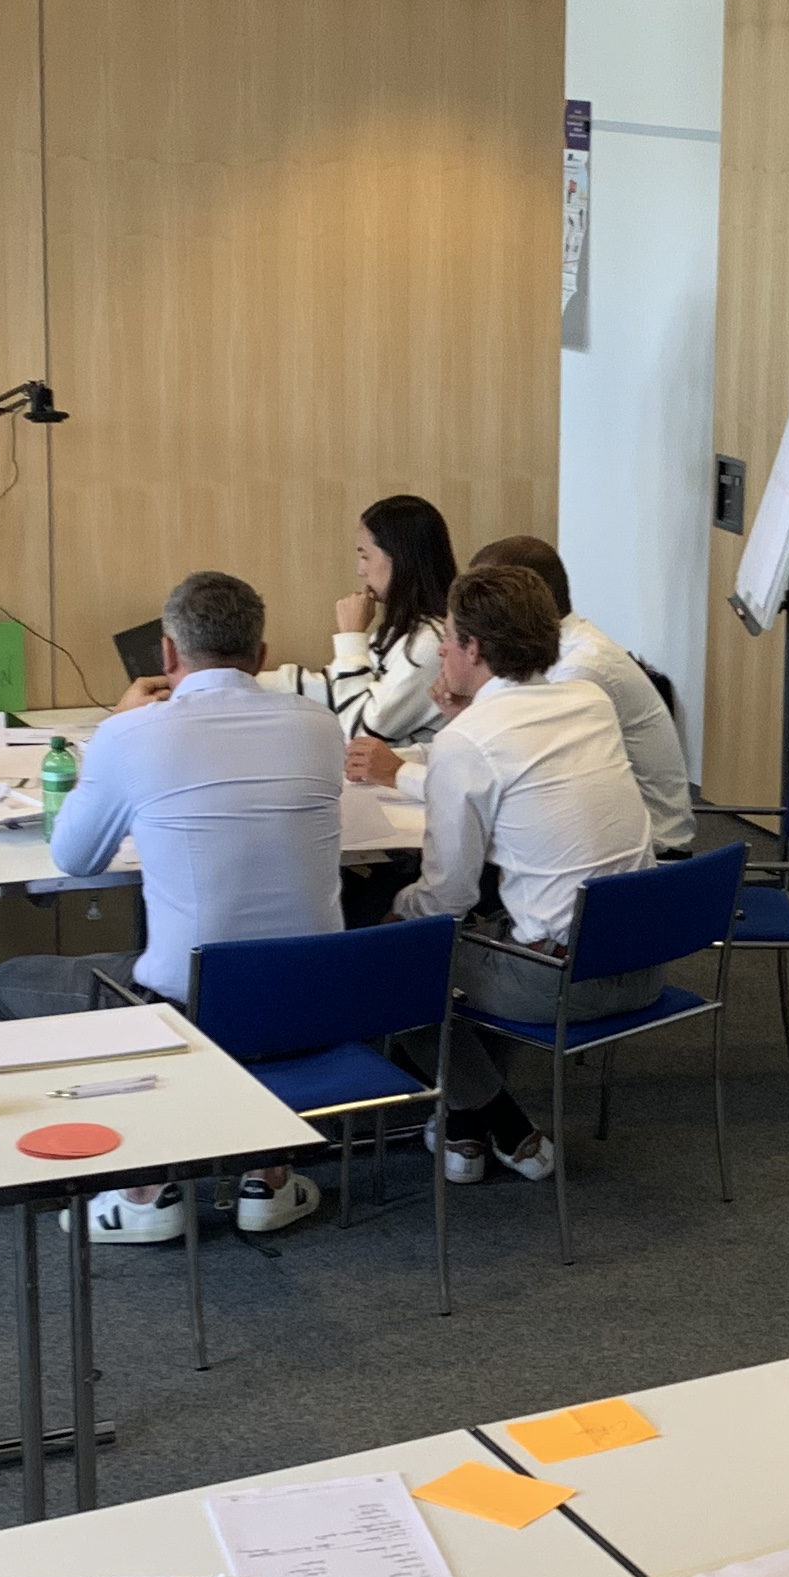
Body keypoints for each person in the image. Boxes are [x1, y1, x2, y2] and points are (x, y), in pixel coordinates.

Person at [0, 568, 341, 1243]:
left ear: (167, 653)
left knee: (8, 983)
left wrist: (116, 729)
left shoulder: (132, 734)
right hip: (310, 1001)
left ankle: (142, 1187)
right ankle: (268, 1175)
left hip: (191, 1004)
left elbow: (75, 858)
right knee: (220, 955)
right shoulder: (320, 726)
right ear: (261, 655)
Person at [393, 563, 656, 1182]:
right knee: (499, 932)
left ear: (473, 649)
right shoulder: (589, 701)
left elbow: (448, 897)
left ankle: (499, 1118)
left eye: (449, 636)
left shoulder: (470, 740)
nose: (440, 649)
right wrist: (465, 720)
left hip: (560, 983)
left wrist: (395, 911)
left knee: (388, 967)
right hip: (644, 962)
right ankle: (465, 1124)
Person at [400, 533, 692, 857]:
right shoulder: (558, 654)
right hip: (603, 846)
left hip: (650, 851)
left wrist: (398, 772)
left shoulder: (581, 671)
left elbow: (520, 775)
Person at [322, 493, 457, 752]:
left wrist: (351, 638)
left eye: (366, 556)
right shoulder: (399, 631)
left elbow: (359, 733)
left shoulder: (431, 643)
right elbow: (337, 690)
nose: (360, 570)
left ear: (400, 557)